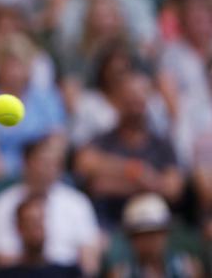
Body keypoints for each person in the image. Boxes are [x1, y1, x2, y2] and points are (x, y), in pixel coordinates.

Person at [74, 72, 184, 228]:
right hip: (112, 225)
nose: (135, 104)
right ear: (117, 102)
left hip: (154, 227)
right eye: (129, 98)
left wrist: (115, 181)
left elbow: (173, 189)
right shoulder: (104, 141)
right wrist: (136, 172)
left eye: (139, 98)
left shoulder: (161, 144)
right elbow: (87, 168)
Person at [0, 136, 101, 277]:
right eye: (42, 162)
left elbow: (89, 262)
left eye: (54, 163)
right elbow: (1, 260)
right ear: (26, 163)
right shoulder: (3, 204)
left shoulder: (77, 203)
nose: (48, 168)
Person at [0, 33, 65, 179]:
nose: (15, 71)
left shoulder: (46, 99)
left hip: (42, 176)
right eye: (9, 64)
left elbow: (57, 141)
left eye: (20, 64)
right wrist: (9, 181)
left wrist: (40, 173)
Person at [107, 193, 203, 278]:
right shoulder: (121, 274)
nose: (148, 242)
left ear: (165, 233)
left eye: (154, 234)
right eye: (141, 236)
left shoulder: (187, 267)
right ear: (131, 239)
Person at [0, 195, 83, 278]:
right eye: (30, 223)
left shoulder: (69, 273)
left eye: (40, 221)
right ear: (19, 228)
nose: (36, 228)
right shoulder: (3, 275)